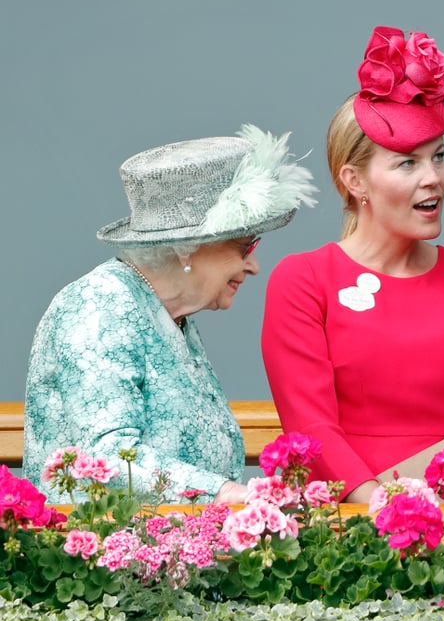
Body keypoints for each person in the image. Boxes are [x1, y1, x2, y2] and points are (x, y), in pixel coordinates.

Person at [262, 26, 444, 503]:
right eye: (407, 163)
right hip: (348, 526)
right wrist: (386, 512)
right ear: (354, 180)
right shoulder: (303, 281)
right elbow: (312, 427)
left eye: (439, 157)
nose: (433, 179)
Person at [24, 125, 317, 503]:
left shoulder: (170, 315)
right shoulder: (99, 306)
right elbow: (107, 458)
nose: (254, 266)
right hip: (100, 551)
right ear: (187, 247)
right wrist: (227, 493)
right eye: (245, 246)